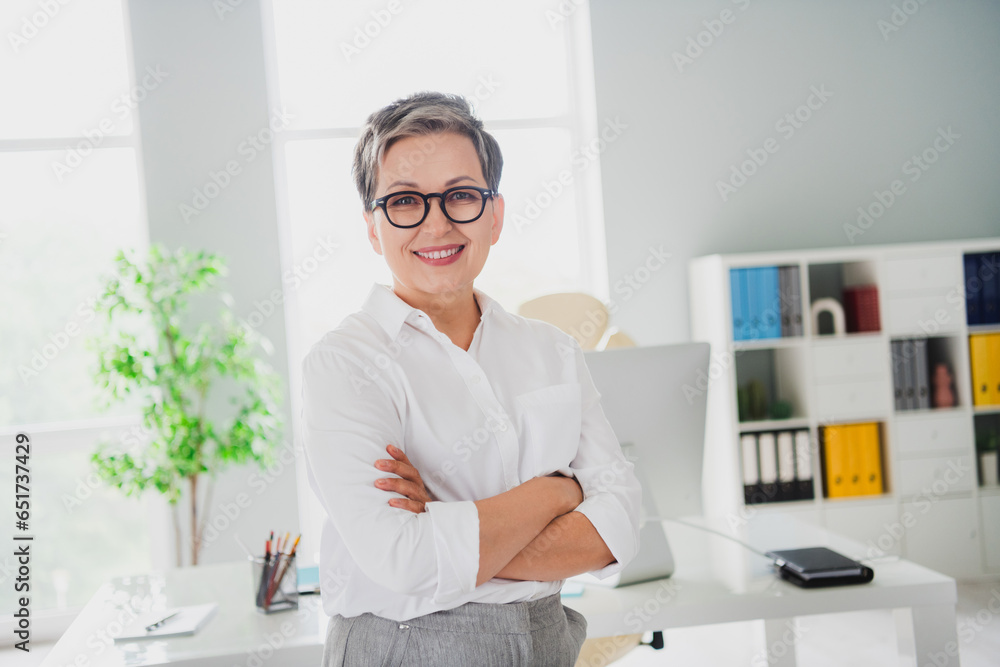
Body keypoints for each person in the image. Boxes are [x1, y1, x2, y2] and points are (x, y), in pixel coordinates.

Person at [302, 91, 642, 666]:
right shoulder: (344, 364)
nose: (436, 223)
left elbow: (622, 527)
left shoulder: (552, 350)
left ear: (495, 214)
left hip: (548, 642)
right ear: (372, 226)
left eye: (460, 196)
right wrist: (557, 492)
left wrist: (444, 518)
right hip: (406, 650)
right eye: (405, 201)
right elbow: (405, 561)